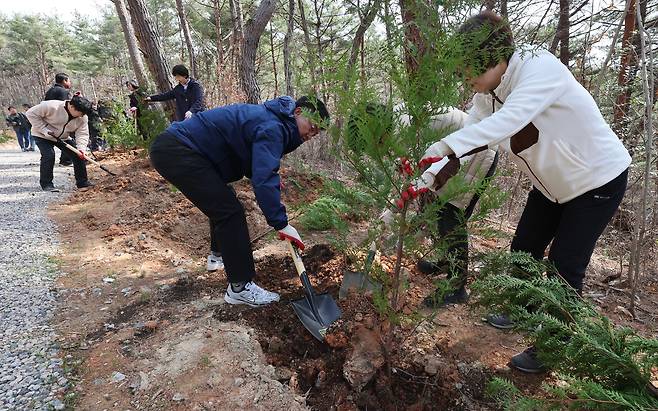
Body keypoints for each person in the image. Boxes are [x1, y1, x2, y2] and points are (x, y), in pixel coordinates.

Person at [420, 11, 631, 373]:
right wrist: (432, 173)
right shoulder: (488, 94)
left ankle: (553, 345)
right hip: (551, 186)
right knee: (523, 250)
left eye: (469, 68)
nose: (464, 77)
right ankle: (521, 309)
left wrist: (444, 146)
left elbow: (510, 121)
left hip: (596, 179)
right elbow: (474, 131)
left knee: (565, 267)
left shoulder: (538, 68)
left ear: (494, 60)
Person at [149, 96, 329, 307]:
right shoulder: (274, 127)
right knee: (230, 212)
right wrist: (281, 224)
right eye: (312, 126)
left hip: (179, 148)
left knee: (224, 202)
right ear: (297, 112)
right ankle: (240, 287)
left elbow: (255, 163)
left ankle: (217, 256)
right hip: (179, 150)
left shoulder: (274, 121)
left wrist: (267, 177)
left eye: (317, 132)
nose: (311, 134)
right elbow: (262, 179)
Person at [350, 104, 498, 307]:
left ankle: (457, 287)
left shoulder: (405, 128)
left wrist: (392, 211)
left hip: (476, 152)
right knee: (439, 211)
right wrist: (389, 212)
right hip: (454, 153)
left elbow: (413, 185)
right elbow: (410, 178)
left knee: (450, 217)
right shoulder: (395, 124)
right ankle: (447, 262)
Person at [26, 95, 94, 192]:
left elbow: (82, 133)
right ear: (72, 106)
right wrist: (43, 129)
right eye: (81, 113)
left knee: (78, 155)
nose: (82, 116)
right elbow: (30, 113)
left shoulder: (82, 117)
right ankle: (47, 184)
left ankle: (82, 182)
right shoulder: (51, 106)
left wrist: (81, 149)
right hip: (42, 135)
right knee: (49, 155)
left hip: (62, 137)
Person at [44, 73, 74, 166]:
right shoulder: (64, 92)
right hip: (60, 119)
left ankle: (64, 160)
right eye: (69, 80)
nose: (70, 83)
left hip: (48, 120)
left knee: (63, 140)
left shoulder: (49, 91)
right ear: (64, 81)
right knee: (67, 140)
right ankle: (66, 160)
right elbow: (65, 107)